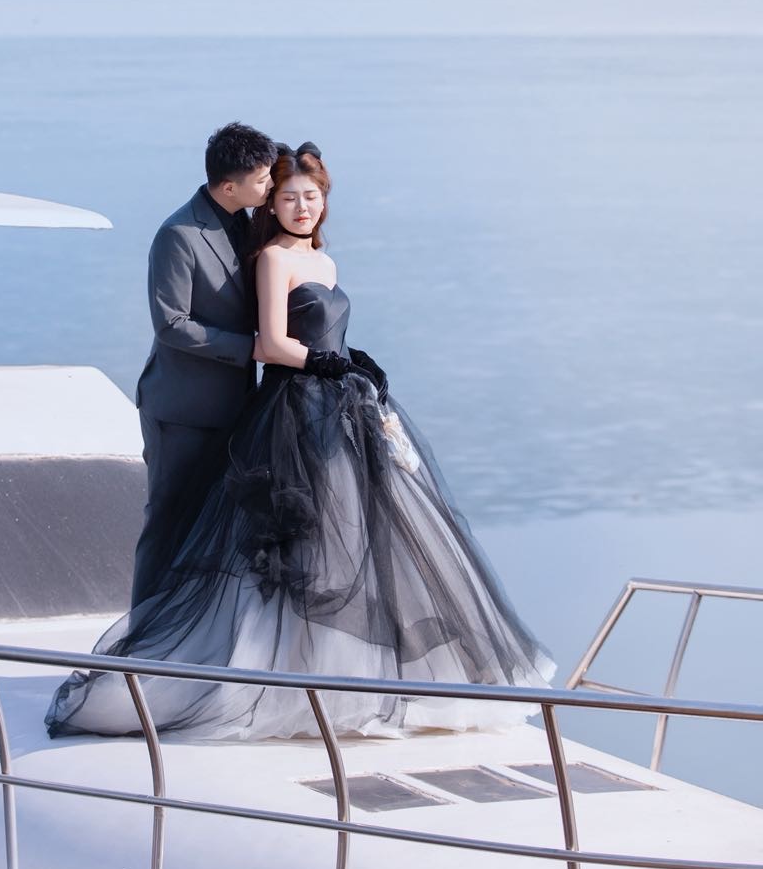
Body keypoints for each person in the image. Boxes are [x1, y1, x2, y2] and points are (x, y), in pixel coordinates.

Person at [48, 142, 552, 741]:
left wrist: (351, 359)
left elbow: (321, 327)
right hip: (268, 406)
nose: (296, 204)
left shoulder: (314, 257)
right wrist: (319, 361)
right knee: (220, 531)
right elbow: (245, 337)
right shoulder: (229, 247)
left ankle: (334, 673)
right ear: (251, 192)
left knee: (346, 537)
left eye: (309, 196)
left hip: (329, 408)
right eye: (283, 194)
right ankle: (158, 649)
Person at [129, 122, 277, 609]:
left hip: (235, 407)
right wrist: (250, 348)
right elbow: (171, 325)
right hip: (181, 411)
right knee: (168, 522)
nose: (270, 186)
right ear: (229, 186)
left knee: (215, 527)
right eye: (263, 180)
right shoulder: (178, 234)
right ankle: (142, 632)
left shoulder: (247, 221)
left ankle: (191, 627)